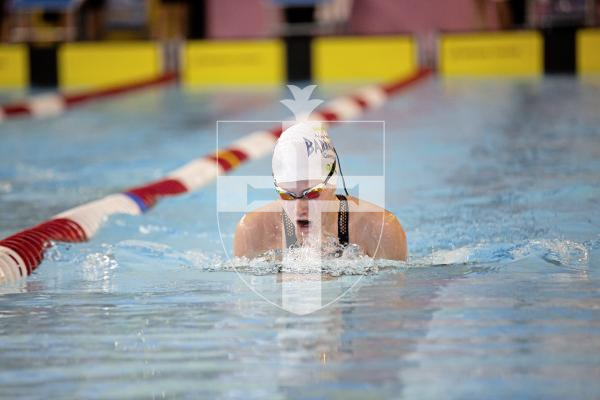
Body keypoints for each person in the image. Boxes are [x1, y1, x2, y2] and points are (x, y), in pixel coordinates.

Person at [233, 122, 407, 261]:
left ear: (332, 183)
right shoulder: (252, 231)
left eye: (311, 194)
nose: (300, 207)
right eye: (287, 195)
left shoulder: (380, 229)